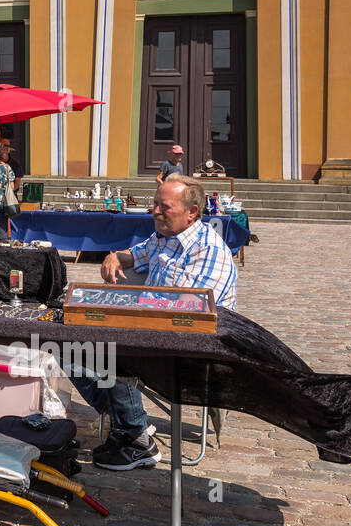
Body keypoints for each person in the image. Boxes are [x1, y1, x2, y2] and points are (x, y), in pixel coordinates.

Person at [75, 175, 237, 470]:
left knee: (113, 348)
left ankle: (135, 438)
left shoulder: (208, 251)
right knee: (66, 343)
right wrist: (114, 257)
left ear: (192, 213)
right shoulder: (164, 238)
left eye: (164, 207)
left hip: (190, 348)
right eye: (154, 205)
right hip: (151, 332)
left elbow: (189, 317)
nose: (155, 212)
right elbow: (133, 255)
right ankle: (127, 418)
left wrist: (129, 313)